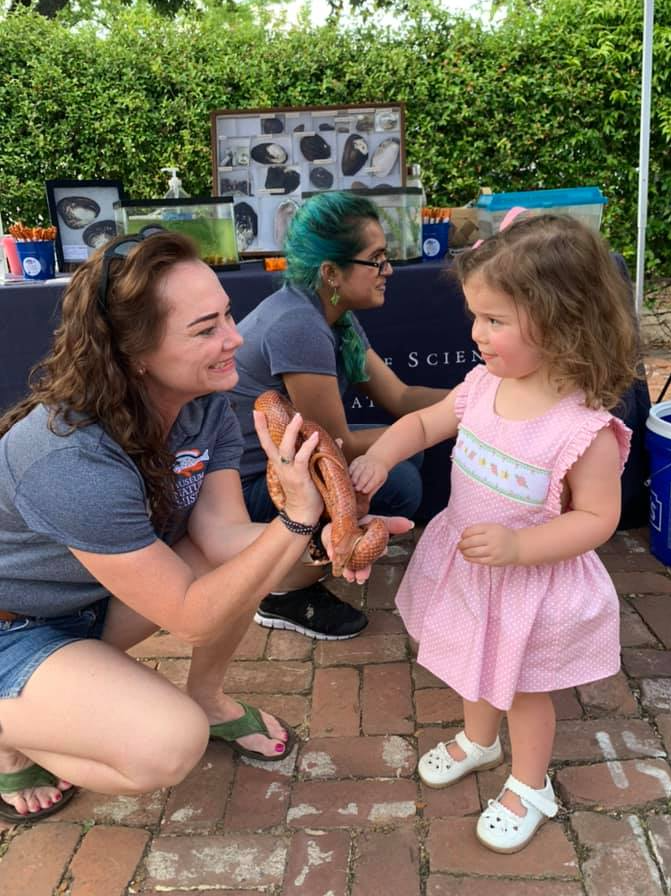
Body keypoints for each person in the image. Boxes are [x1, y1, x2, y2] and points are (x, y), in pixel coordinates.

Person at [0, 230, 406, 824]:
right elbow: (192, 615)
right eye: (205, 329)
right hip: (14, 627)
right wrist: (297, 516)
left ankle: (208, 698)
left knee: (234, 570)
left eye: (227, 315)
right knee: (165, 746)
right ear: (132, 352)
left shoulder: (203, 404)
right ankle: (12, 733)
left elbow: (223, 539)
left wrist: (327, 540)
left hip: (92, 602)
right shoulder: (69, 457)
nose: (235, 340)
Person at [349, 213, 639, 854]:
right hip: (471, 564)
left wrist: (518, 548)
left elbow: (598, 519)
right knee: (470, 662)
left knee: (526, 691)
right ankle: (480, 740)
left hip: (529, 579)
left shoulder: (580, 427)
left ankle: (531, 782)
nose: (476, 333)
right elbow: (425, 424)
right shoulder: (484, 385)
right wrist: (382, 455)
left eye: (495, 320)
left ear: (564, 320)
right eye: (476, 316)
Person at [227, 192, 446, 641]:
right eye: (377, 260)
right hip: (247, 486)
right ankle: (282, 592)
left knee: (405, 458)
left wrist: (480, 397)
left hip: (290, 462)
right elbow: (333, 443)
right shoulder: (300, 326)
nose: (388, 272)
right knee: (400, 480)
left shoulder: (332, 313)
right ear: (331, 272)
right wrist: (439, 427)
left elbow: (401, 398)